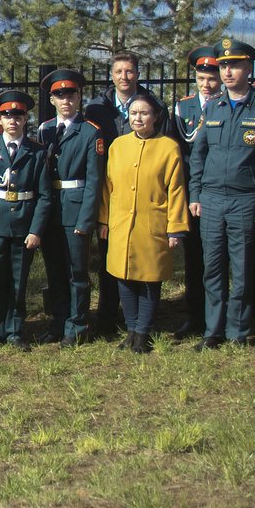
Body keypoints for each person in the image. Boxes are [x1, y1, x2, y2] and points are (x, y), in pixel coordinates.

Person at [188, 39, 255, 347]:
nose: (227, 72)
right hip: (212, 200)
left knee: (241, 270)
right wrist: (195, 194)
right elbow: (198, 155)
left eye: (234, 65)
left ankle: (237, 331)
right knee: (212, 268)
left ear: (248, 67)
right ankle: (212, 330)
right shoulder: (213, 107)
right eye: (223, 66)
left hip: (245, 200)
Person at [100, 93, 189, 354]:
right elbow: (107, 186)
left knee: (150, 279)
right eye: (134, 112)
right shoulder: (118, 145)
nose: (138, 117)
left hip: (153, 224)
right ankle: (130, 329)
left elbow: (176, 190)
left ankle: (143, 332)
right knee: (123, 276)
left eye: (144, 113)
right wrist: (103, 220)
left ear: (155, 117)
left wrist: (176, 227)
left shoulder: (168, 147)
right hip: (120, 224)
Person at [84, 51, 161, 333]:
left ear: (137, 74)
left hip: (142, 190)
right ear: (111, 75)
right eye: (118, 72)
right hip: (108, 187)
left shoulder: (152, 104)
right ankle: (107, 315)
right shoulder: (96, 108)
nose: (124, 77)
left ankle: (142, 318)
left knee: (143, 257)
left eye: (129, 71)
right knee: (109, 256)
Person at [36, 69, 104, 346]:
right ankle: (59, 321)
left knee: (77, 272)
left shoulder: (91, 132)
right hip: (50, 209)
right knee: (54, 270)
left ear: (79, 97)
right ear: (51, 99)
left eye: (70, 94)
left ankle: (77, 325)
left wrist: (86, 219)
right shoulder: (45, 129)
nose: (66, 100)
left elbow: (94, 180)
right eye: (59, 95)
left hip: (75, 208)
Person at [0, 89, 48, 349]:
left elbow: (44, 196)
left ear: (26, 118)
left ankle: (16, 330)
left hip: (23, 226)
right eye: (7, 115)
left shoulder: (37, 151)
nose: (13, 120)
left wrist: (36, 230)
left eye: (18, 115)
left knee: (19, 281)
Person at [169, 46, 220, 338]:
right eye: (202, 77)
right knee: (195, 258)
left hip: (220, 190)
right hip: (192, 192)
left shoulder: (227, 104)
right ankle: (195, 315)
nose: (207, 83)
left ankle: (222, 315)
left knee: (221, 259)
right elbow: (177, 151)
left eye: (212, 77)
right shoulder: (183, 107)